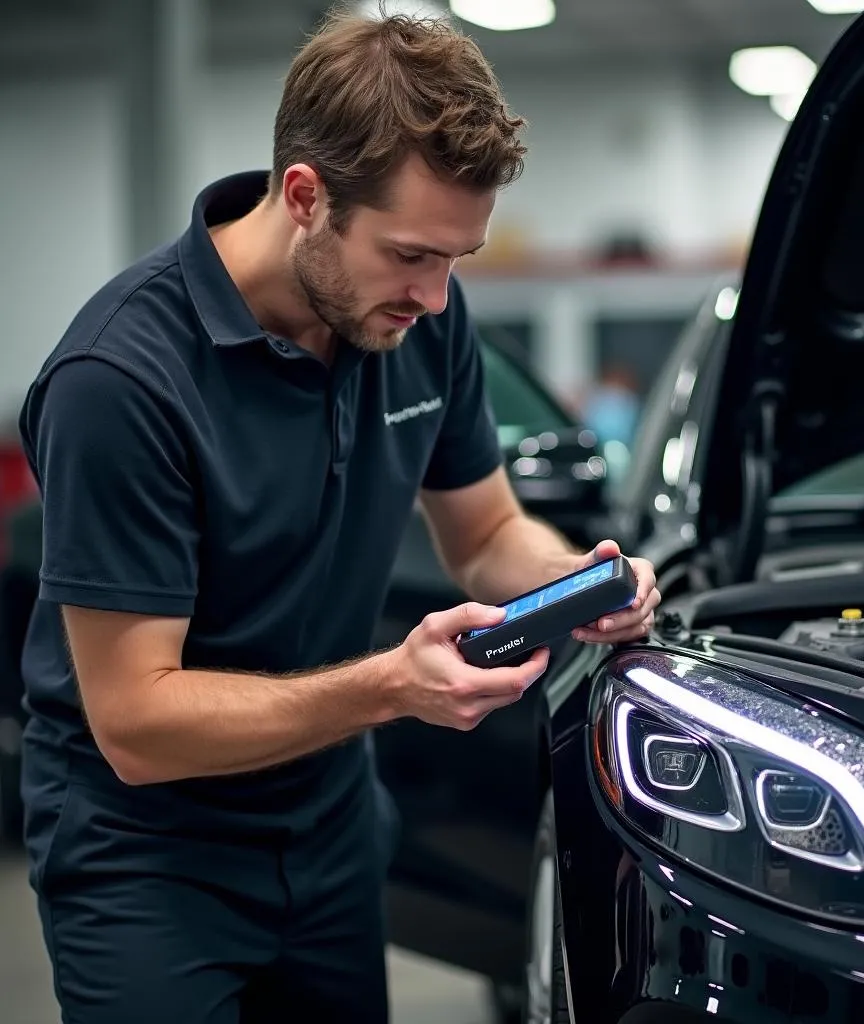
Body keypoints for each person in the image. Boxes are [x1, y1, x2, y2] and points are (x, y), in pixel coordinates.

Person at [17, 8, 661, 1024]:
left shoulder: (418, 325)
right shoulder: (120, 381)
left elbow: (486, 535)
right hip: (148, 856)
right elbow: (135, 722)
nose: (438, 298)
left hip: (328, 828)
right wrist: (391, 687)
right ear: (306, 197)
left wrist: (574, 584)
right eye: (411, 254)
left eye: (457, 259)